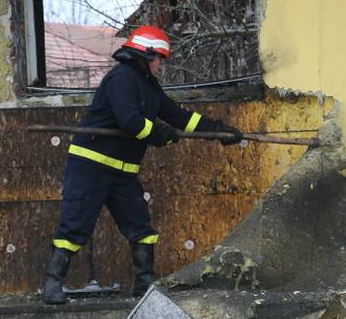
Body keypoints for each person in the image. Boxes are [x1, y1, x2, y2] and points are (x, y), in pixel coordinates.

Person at [41, 25, 243, 304]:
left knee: (141, 227)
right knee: (76, 226)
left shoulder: (149, 85)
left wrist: (218, 130)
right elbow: (130, 122)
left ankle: (144, 282)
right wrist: (160, 135)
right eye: (160, 58)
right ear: (146, 55)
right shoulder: (121, 79)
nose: (162, 65)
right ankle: (53, 284)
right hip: (91, 165)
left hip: (123, 171)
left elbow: (178, 116)